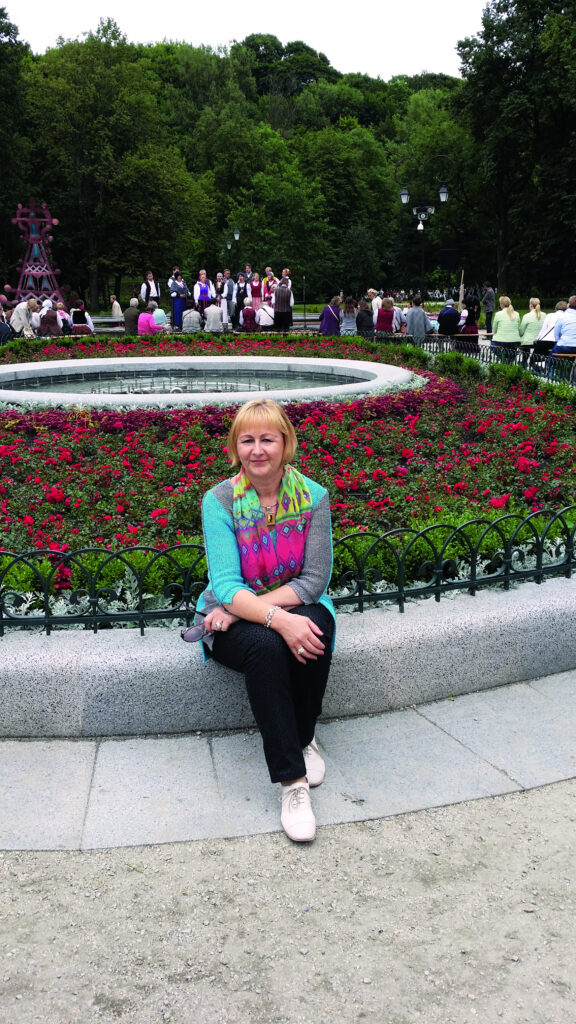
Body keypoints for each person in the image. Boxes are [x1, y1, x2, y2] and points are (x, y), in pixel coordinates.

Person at [196, 399, 336, 843]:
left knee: (314, 623)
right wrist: (274, 619)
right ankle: (292, 783)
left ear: (285, 444)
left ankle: (305, 733)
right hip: (226, 618)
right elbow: (226, 584)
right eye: (247, 440)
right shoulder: (218, 501)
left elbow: (314, 579)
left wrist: (270, 614)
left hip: (261, 606)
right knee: (265, 645)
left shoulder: (314, 497)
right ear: (236, 448)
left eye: (267, 439)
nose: (258, 450)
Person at [491, 295, 521, 361]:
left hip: (500, 341)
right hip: (514, 341)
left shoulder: (498, 314)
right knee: (512, 349)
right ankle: (509, 361)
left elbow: (494, 330)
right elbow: (519, 328)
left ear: (502, 305)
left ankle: (503, 359)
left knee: (492, 346)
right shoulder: (517, 314)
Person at [519, 297, 543, 366]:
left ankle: (524, 361)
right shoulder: (544, 315)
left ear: (531, 305)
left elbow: (521, 331)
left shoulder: (527, 316)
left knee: (525, 342)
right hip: (540, 341)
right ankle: (533, 362)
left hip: (528, 342)